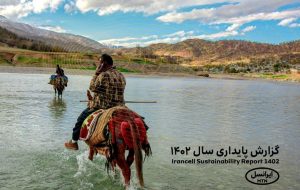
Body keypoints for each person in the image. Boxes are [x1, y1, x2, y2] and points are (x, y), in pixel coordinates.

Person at [64, 54, 126, 150]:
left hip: (102, 106)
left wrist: (96, 73)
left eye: (99, 62)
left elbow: (92, 87)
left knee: (80, 120)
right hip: (119, 106)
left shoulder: (103, 75)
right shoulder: (121, 75)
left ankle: (73, 142)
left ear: (103, 63)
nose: (98, 64)